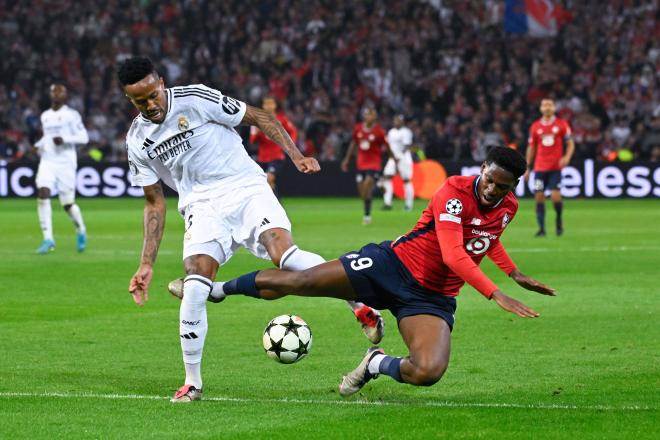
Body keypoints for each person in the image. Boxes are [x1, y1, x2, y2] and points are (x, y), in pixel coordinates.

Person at [117, 57, 384, 403]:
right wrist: (146, 264)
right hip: (202, 206)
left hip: (245, 186)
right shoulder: (137, 140)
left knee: (285, 256)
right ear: (130, 100)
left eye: (154, 94)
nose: (151, 104)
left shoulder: (196, 99)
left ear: (161, 83)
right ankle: (192, 382)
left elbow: (260, 116)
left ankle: (362, 307)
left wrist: (296, 156)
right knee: (195, 285)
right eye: (141, 101)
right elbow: (154, 203)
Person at [210, 147, 555, 396]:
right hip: (392, 266)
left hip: (432, 296)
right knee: (302, 280)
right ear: (482, 168)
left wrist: (513, 272)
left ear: (513, 187)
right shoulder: (454, 192)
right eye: (490, 180)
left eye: (502, 187)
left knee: (428, 371)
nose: (493, 190)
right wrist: (495, 293)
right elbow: (453, 254)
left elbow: (484, 239)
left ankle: (374, 364)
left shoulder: (508, 207)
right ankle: (217, 289)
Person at [34, 83, 89, 254]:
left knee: (67, 204)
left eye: (61, 92)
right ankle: (48, 238)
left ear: (65, 96)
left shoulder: (71, 115)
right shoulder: (45, 116)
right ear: (50, 95)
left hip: (66, 162)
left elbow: (84, 137)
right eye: (54, 91)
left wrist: (64, 139)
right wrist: (38, 145)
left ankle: (81, 230)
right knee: (43, 192)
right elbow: (47, 137)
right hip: (48, 160)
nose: (57, 94)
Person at [524, 98, 575, 237]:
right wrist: (527, 166)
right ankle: (541, 229)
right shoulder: (535, 126)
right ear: (541, 108)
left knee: (555, 197)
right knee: (539, 197)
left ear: (554, 108)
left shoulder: (561, 124)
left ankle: (558, 220)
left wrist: (566, 157)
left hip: (555, 169)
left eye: (550, 105)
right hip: (540, 169)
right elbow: (532, 147)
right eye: (544, 105)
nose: (547, 107)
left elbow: (570, 143)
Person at [341, 108, 392, 225]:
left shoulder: (379, 131)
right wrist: (346, 159)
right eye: (367, 114)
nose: (368, 117)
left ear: (374, 117)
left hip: (374, 163)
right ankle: (378, 186)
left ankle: (367, 216)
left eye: (371, 115)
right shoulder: (358, 128)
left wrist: (391, 157)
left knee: (367, 183)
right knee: (363, 193)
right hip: (361, 164)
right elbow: (353, 143)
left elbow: (386, 145)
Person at [249, 96, 298, 196]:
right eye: (266, 103)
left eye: (271, 103)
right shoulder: (257, 120)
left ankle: (274, 204)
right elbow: (252, 140)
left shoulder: (281, 119)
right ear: (262, 105)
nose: (269, 106)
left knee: (269, 178)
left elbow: (293, 131)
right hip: (262, 158)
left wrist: (289, 144)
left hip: (277, 156)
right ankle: (276, 203)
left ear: (275, 105)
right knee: (268, 183)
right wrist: (258, 132)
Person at [382, 114, 414, 211]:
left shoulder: (406, 132)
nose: (396, 122)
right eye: (395, 120)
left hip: (404, 158)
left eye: (398, 120)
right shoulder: (391, 132)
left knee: (406, 180)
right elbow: (388, 146)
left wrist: (398, 157)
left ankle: (409, 204)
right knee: (386, 177)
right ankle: (387, 203)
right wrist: (392, 157)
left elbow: (406, 146)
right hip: (393, 158)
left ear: (402, 122)